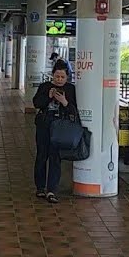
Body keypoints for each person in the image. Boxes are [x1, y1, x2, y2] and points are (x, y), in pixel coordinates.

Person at [31, 60, 79, 203]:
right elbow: (36, 103)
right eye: (57, 76)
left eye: (62, 77)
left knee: (55, 157)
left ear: (67, 77)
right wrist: (49, 96)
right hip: (44, 125)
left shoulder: (70, 89)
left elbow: (74, 110)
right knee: (41, 155)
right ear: (52, 75)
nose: (59, 80)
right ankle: (40, 187)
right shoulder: (45, 86)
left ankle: (52, 190)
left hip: (60, 128)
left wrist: (64, 102)